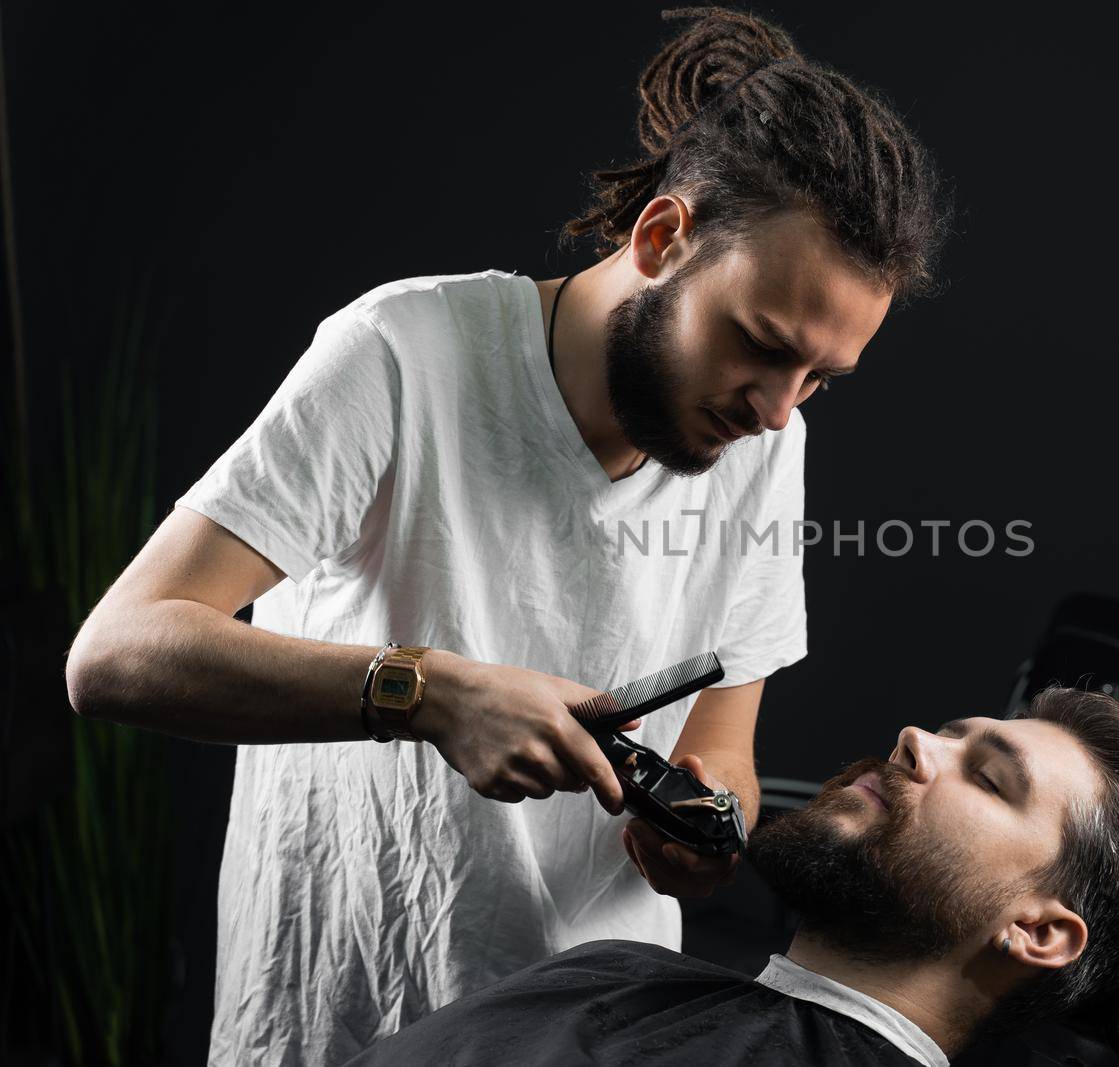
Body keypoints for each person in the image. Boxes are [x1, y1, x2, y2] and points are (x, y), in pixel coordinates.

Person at [62, 7, 951, 1063]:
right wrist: (428, 691)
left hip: (586, 1035)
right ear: (663, 238)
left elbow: (722, 748)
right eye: (759, 345)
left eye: (819, 379)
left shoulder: (767, 440)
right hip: (339, 1020)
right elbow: (115, 653)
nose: (775, 408)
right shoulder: (404, 352)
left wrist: (703, 827)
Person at [347, 687, 1119, 1067]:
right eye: (952, 729)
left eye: (989, 776)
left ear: (1038, 930)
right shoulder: (612, 971)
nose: (916, 737)